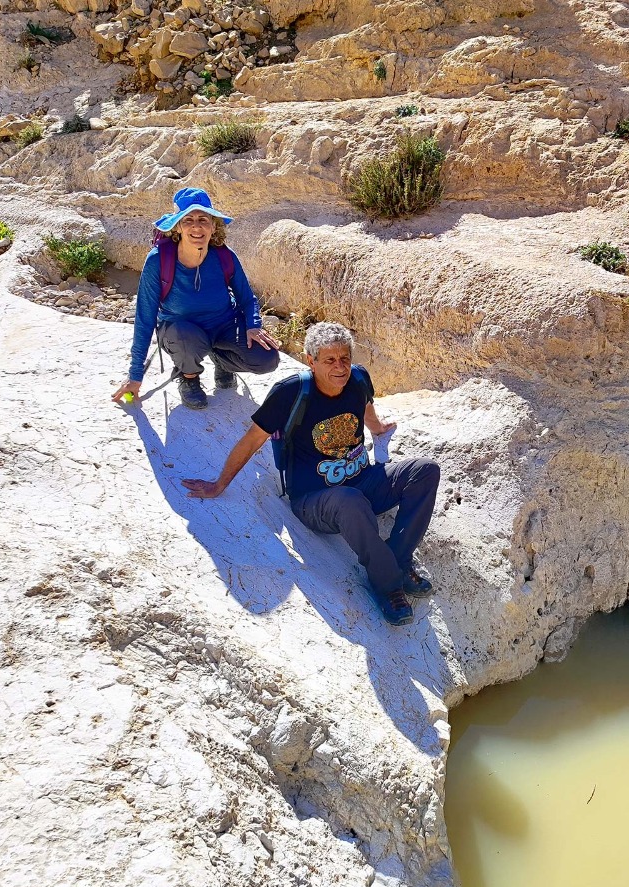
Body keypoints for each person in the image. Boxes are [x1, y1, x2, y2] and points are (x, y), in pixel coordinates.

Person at [181, 322, 441, 626]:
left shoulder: (358, 379)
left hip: (363, 481)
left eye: (344, 358)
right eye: (329, 360)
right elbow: (252, 439)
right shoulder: (291, 392)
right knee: (349, 499)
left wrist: (378, 429)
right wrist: (219, 483)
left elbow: (365, 406)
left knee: (425, 470)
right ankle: (388, 584)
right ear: (311, 360)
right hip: (315, 501)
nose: (340, 367)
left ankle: (398, 560)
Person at [111, 187, 280, 410]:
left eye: (203, 219)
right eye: (188, 219)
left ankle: (222, 362)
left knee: (267, 358)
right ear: (178, 226)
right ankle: (189, 378)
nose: (196, 226)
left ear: (213, 225)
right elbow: (145, 318)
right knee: (184, 337)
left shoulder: (224, 255)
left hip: (224, 325)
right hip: (182, 331)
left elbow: (247, 298)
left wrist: (253, 326)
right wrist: (135, 375)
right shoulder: (158, 261)